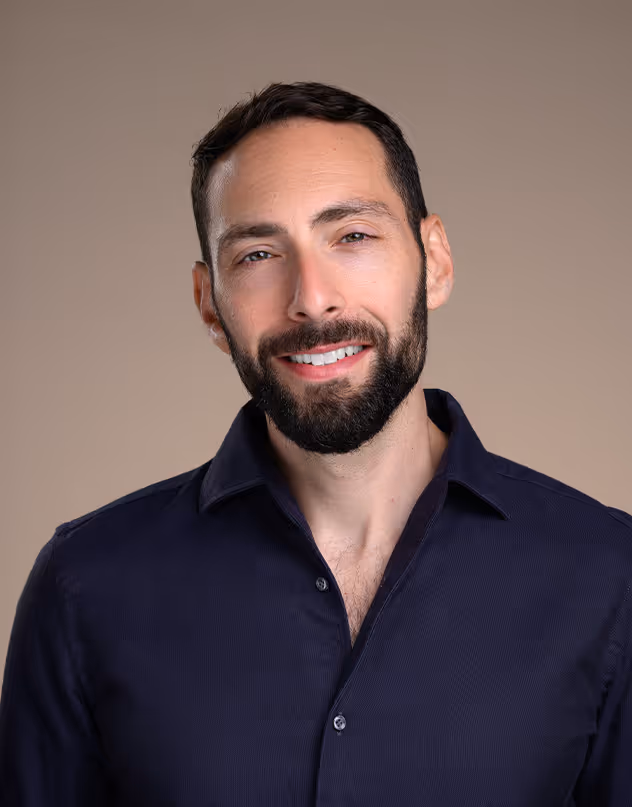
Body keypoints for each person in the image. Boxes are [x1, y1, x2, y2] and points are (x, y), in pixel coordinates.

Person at [1, 80, 631, 807]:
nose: (311, 297)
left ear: (434, 260)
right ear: (210, 305)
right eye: (258, 254)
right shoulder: (84, 585)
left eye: (352, 236)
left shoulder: (608, 576)